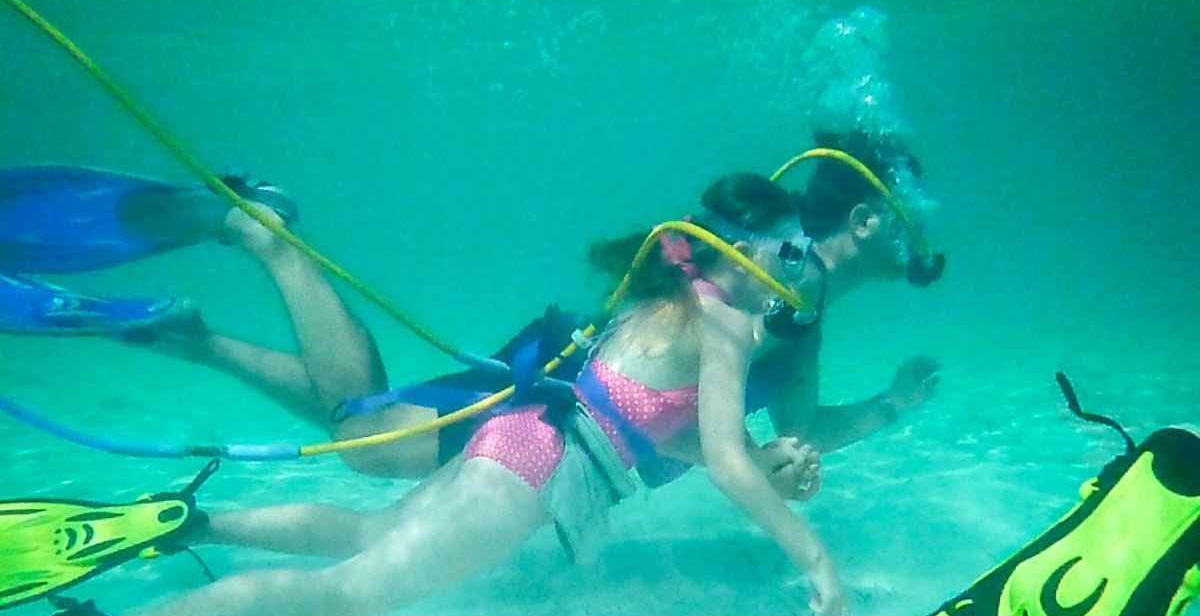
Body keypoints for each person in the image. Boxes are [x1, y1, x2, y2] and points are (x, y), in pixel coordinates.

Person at [4, 170, 855, 616]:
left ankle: (189, 524)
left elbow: (650, 424)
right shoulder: (728, 329)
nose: (795, 266)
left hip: (519, 436)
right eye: (789, 249)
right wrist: (814, 557)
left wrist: (764, 463)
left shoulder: (654, 300)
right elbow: (727, 462)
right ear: (741, 250)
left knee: (368, 533)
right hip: (539, 468)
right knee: (347, 597)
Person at [127, 130, 941, 486]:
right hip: (564, 399)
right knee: (369, 445)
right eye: (912, 230)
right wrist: (891, 406)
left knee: (373, 423)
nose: (921, 255)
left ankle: (197, 342)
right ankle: (265, 236)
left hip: (567, 378)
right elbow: (743, 421)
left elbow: (789, 428)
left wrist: (883, 407)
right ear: (868, 220)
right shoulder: (789, 291)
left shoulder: (786, 276)